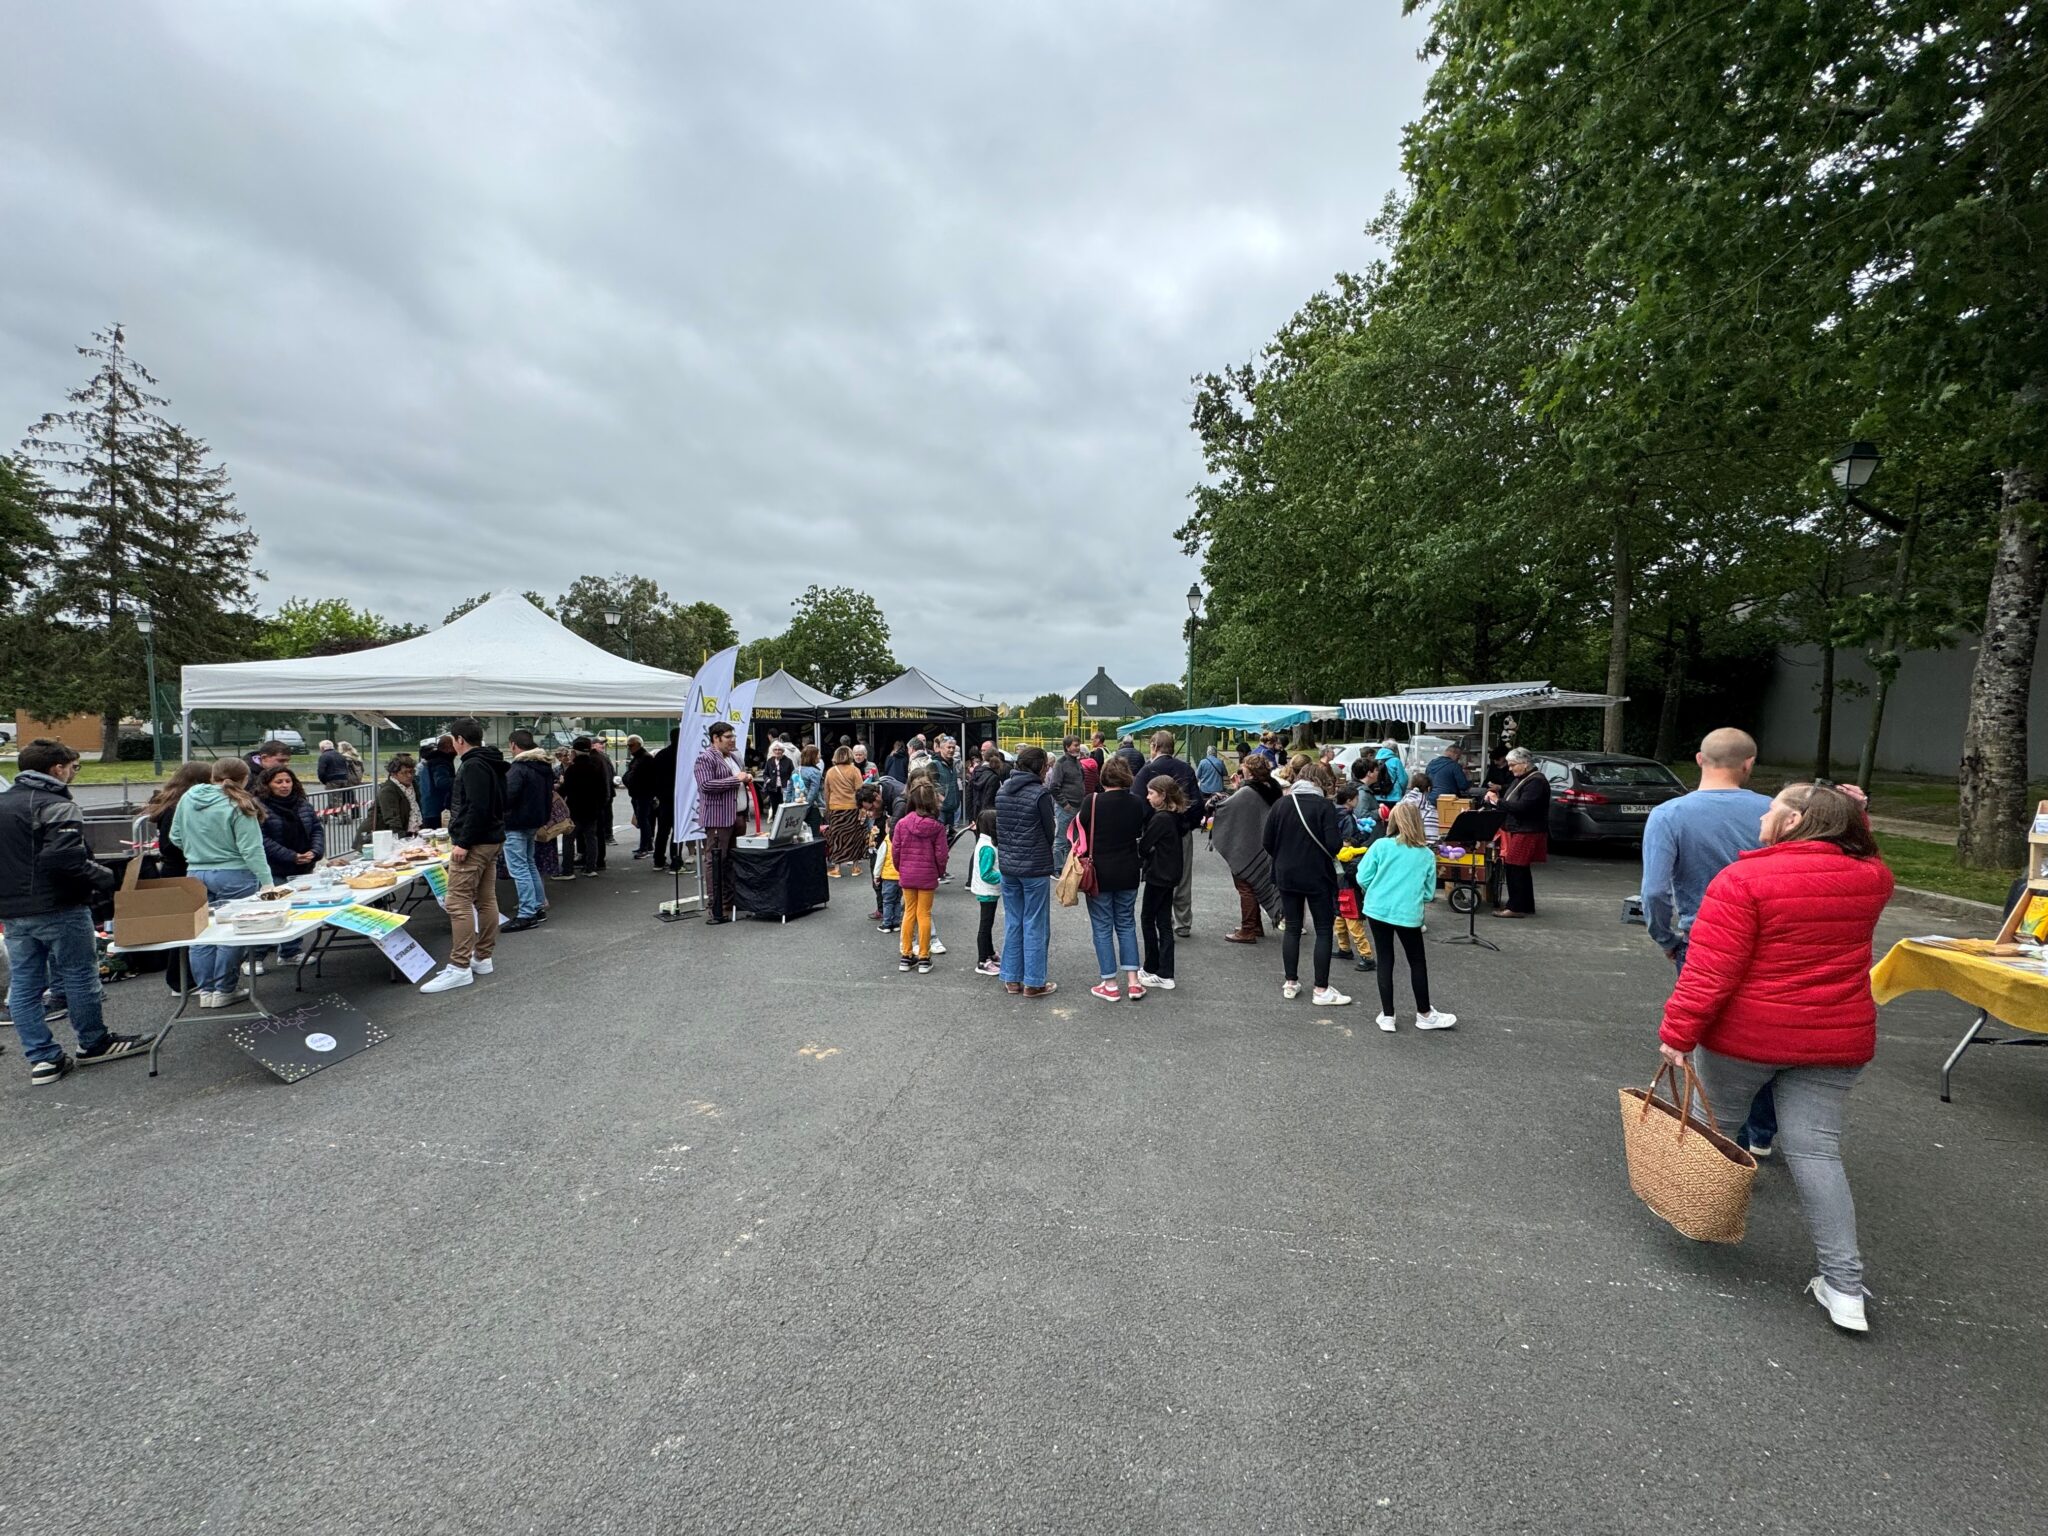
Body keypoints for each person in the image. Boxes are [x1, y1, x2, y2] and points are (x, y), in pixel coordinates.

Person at [1659, 782, 1895, 1333]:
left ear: (1794, 821)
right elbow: (1869, 855)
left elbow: (1711, 970)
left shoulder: (1744, 880)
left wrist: (1678, 1032)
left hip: (1749, 1036)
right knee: (1818, 1155)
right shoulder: (1871, 879)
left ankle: (1696, 1216)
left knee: (1710, 1129)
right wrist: (1858, 817)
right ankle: (1844, 1286)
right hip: (1835, 1039)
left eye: (1773, 810)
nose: (1763, 817)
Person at [1641, 727, 1779, 1152]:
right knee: (1765, 1037)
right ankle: (1763, 1132)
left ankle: (1722, 1138)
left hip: (1703, 941)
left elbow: (1654, 891)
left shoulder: (1669, 815)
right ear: (1749, 764)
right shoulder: (1777, 810)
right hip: (1769, 940)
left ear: (1700, 760)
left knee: (1713, 1040)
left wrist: (1666, 938)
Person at [0, 739, 153, 1083]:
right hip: (59, 904)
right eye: (73, 767)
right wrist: (104, 877)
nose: (73, 773)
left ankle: (42, 1058)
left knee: (25, 983)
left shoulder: (4, 802)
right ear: (58, 768)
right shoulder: (56, 804)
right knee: (79, 974)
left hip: (13, 908)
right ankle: (94, 1042)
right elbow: (62, 858)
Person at [171, 758, 272, 1009]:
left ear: (212, 775)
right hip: (235, 873)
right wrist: (268, 882)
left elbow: (175, 836)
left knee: (202, 933)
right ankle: (224, 988)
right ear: (245, 779)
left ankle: (206, 990)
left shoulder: (187, 799)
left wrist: (198, 852)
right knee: (233, 932)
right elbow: (252, 850)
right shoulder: (240, 803)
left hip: (195, 872)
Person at [421, 717, 506, 993]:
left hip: (476, 842)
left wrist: (464, 842)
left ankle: (460, 966)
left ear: (459, 740)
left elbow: (478, 808)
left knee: (457, 902)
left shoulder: (473, 765)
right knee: (485, 899)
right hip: (489, 839)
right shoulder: (491, 762)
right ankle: (481, 958)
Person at [1356, 801, 1455, 1032]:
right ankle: (1424, 1013)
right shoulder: (1426, 855)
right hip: (1407, 913)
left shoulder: (1381, 845)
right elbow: (1429, 893)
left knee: (1385, 958)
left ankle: (1388, 1015)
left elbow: (1362, 876)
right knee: (1416, 961)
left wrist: (1376, 887)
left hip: (1377, 908)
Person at [1263, 761, 1352, 1005]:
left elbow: (1267, 841)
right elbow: (1333, 844)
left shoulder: (1281, 804)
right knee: (1323, 929)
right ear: (1320, 782)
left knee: (1292, 926)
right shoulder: (1324, 806)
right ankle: (1321, 989)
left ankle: (1290, 981)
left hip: (1285, 873)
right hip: (1317, 874)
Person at [1079, 756, 1149, 1002]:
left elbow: (1081, 832)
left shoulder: (1092, 801)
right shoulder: (1137, 803)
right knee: (1126, 923)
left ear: (1104, 777)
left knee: (1102, 926)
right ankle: (1133, 981)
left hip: (1099, 872)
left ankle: (1109, 983)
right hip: (1129, 870)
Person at [995, 744, 1059, 997]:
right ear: (1040, 767)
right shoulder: (1040, 793)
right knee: (1035, 923)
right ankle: (1034, 982)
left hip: (1009, 864)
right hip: (1034, 866)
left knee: (1013, 921)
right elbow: (1049, 831)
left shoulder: (1002, 791)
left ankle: (1011, 978)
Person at [1131, 730, 1203, 938]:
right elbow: (1197, 803)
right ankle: (1183, 922)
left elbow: (1138, 804)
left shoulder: (1147, 771)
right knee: (1182, 877)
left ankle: (1164, 920)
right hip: (1181, 831)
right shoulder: (1186, 769)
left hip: (1155, 832)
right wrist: (1188, 824)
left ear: (1154, 746)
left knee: (1158, 877)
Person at [1214, 755, 1283, 942]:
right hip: (1266, 845)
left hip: (1248, 846)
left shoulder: (1249, 792)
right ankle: (1256, 925)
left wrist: (1217, 801)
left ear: (1250, 771)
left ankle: (1248, 930)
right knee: (1254, 885)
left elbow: (1225, 808)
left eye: (1244, 767)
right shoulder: (1272, 788)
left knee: (1246, 885)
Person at [890, 781, 949, 973]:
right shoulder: (937, 827)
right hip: (927, 874)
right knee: (924, 914)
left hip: (907, 873)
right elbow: (941, 854)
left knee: (908, 913)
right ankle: (924, 956)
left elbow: (896, 851)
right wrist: (939, 872)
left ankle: (906, 955)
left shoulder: (901, 824)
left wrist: (901, 868)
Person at [500, 731, 554, 931]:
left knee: (520, 868)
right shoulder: (543, 766)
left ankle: (527, 913)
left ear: (513, 745)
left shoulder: (519, 768)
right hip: (535, 821)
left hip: (516, 823)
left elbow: (508, 796)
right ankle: (538, 906)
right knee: (529, 864)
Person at [695, 722, 748, 924]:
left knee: (733, 861)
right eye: (728, 736)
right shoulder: (705, 758)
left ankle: (731, 901)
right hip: (719, 819)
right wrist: (736, 780)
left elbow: (739, 778)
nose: (732, 739)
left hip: (737, 816)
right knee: (716, 862)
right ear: (716, 738)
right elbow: (706, 785)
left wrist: (746, 778)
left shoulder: (734, 757)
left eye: (733, 736)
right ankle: (716, 907)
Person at [1486, 747, 1549, 917]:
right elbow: (1511, 798)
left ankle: (1516, 907)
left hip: (1527, 829)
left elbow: (1524, 807)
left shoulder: (1536, 781)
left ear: (1524, 764)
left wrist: (1498, 802)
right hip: (1519, 828)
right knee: (1518, 867)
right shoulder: (1524, 778)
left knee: (1515, 866)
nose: (1510, 768)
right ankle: (1525, 904)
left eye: (1513, 765)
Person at [1137, 776, 1186, 992]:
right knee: (1164, 922)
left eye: (1151, 793)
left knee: (1148, 918)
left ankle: (1152, 966)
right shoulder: (1175, 816)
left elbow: (1144, 846)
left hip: (1159, 874)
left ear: (1163, 795)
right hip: (1171, 873)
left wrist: (1148, 851)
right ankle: (1165, 971)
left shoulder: (1160, 819)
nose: (1148, 797)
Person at [1329, 783, 1375, 973]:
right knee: (1352, 919)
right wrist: (1362, 835)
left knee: (1339, 917)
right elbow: (1348, 843)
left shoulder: (1331, 813)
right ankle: (1367, 956)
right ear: (1350, 800)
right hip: (1348, 875)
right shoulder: (1347, 818)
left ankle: (1344, 948)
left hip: (1336, 874)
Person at [142, 762, 213, 879]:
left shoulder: (171, 804)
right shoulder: (179, 808)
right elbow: (170, 845)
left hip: (175, 868)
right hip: (183, 870)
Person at [559, 736, 610, 879]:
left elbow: (565, 790)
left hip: (574, 809)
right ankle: (590, 868)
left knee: (569, 839)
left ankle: (567, 871)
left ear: (575, 752)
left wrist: (560, 786)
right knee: (591, 838)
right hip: (592, 809)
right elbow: (603, 790)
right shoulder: (595, 767)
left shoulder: (572, 770)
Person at [1046, 736, 1089, 867]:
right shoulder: (1061, 763)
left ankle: (1069, 865)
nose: (1078, 748)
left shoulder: (1077, 762)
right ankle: (1058, 867)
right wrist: (1065, 804)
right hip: (1066, 808)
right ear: (1067, 747)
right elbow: (1053, 786)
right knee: (1061, 838)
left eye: (1079, 745)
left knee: (1074, 839)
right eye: (1075, 745)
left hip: (1077, 806)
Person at [824, 745, 867, 876]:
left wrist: (827, 808)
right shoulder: (854, 770)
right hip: (852, 807)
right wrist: (863, 809)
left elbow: (827, 792)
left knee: (836, 837)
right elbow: (860, 791)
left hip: (835, 808)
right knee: (855, 837)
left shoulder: (830, 772)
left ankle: (837, 868)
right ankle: (855, 867)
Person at [970, 807, 1002, 976]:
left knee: (987, 924)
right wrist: (1003, 876)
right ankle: (982, 960)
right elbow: (986, 873)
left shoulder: (984, 843)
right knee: (985, 926)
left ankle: (989, 953)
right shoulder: (988, 847)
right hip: (987, 891)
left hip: (987, 890)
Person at [650, 726, 683, 871]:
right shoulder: (684, 755)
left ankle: (658, 860)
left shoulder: (661, 755)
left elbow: (654, 777)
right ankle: (676, 861)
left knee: (662, 830)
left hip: (664, 798)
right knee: (678, 832)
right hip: (679, 798)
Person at [622, 735, 659, 859]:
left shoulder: (645, 759)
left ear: (638, 744)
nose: (629, 748)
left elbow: (636, 776)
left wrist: (629, 780)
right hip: (639, 794)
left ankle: (645, 847)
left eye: (631, 745)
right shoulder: (640, 758)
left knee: (644, 821)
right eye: (628, 746)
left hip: (644, 794)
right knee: (643, 820)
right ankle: (646, 845)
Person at [370, 753, 423, 837]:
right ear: (394, 774)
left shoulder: (414, 784)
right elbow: (392, 820)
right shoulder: (388, 790)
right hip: (385, 836)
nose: (409, 775)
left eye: (412, 772)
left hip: (410, 832)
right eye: (404, 773)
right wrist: (403, 838)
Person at [416, 735, 457, 829]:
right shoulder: (441, 762)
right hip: (436, 807)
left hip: (427, 805)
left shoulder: (431, 760)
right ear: (448, 747)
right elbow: (442, 782)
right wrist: (460, 780)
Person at [967, 746, 1006, 824]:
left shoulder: (976, 772)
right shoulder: (994, 777)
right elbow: (989, 800)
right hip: (988, 818)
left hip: (975, 814)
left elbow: (969, 795)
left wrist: (971, 817)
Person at [1401, 765, 1440, 840]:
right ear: (1428, 789)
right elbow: (1431, 839)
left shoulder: (1399, 806)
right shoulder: (1430, 810)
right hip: (1419, 848)